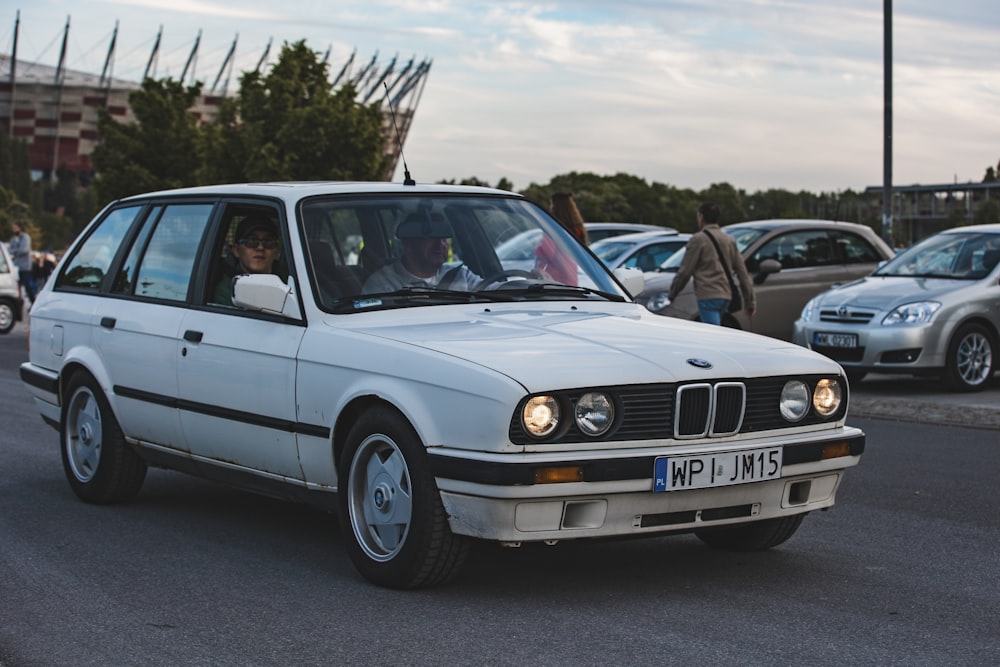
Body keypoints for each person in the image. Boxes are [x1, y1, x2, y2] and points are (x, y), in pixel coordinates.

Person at [667, 202, 756, 325]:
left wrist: (672, 293)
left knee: (712, 332)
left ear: (701, 217)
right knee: (717, 329)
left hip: (707, 294)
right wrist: (750, 302)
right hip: (726, 295)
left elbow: (685, 271)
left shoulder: (698, 239)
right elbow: (742, 273)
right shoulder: (729, 240)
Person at [363, 211, 480, 293]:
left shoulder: (461, 275)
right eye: (431, 237)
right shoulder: (383, 284)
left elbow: (494, 290)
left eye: (444, 238)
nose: (440, 244)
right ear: (408, 243)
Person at [212, 215, 282, 306]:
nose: (260, 247)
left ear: (276, 252)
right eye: (252, 241)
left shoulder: (290, 283)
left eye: (268, 242)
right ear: (236, 250)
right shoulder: (227, 292)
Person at [534, 191, 586, 285]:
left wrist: (539, 247)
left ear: (556, 206)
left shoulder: (553, 230)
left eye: (551, 204)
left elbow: (547, 252)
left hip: (554, 279)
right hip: (571, 275)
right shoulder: (577, 230)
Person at [8, 221, 35, 303]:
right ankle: (19, 302)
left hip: (25, 266)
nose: (14, 230)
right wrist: (16, 251)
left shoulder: (26, 237)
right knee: (17, 285)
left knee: (26, 285)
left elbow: (24, 250)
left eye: (15, 228)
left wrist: (15, 251)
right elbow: (10, 250)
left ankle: (32, 301)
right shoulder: (13, 239)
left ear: (20, 228)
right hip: (16, 266)